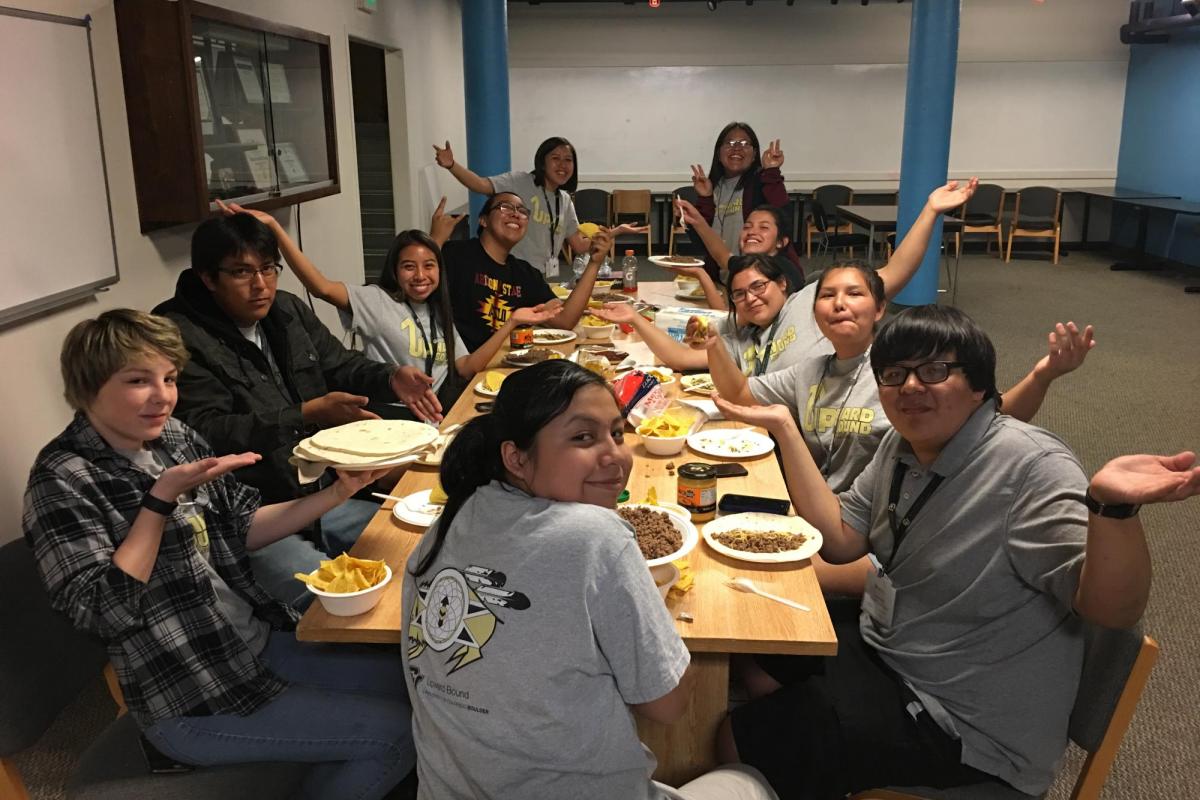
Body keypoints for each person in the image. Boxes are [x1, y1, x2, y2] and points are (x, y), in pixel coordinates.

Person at [709, 305, 1200, 798]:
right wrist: (785, 427)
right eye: (894, 374)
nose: (910, 386)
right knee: (766, 650)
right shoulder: (902, 446)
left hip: (963, 720)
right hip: (897, 645)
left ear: (980, 385)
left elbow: (1111, 611)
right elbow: (840, 540)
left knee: (738, 738)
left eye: (934, 370)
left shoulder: (1030, 467)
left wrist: (1112, 510)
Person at [22, 310, 415, 800]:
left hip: (256, 648)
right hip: (191, 697)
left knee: (415, 683)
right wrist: (159, 502)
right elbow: (104, 612)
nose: (162, 396)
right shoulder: (61, 479)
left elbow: (241, 528)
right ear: (89, 386)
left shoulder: (173, 438)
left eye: (169, 378)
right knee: (396, 736)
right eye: (139, 381)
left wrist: (339, 491)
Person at [401, 359, 777, 800]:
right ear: (516, 457)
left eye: (617, 433)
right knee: (749, 780)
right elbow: (669, 704)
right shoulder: (596, 536)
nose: (615, 456)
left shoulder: (443, 526)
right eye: (583, 437)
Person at [702, 262, 1094, 595]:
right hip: (839, 520)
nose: (910, 386)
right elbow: (741, 392)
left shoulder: (904, 374)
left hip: (888, 540)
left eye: (854, 293)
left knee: (749, 577)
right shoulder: (815, 371)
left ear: (879, 308)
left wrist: (1041, 377)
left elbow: (990, 415)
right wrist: (714, 345)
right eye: (828, 295)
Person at [153, 213, 415, 606]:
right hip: (255, 516)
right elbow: (209, 431)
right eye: (242, 272)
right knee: (337, 601)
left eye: (268, 269)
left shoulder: (286, 310)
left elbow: (339, 364)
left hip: (321, 493)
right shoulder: (177, 334)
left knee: (411, 547)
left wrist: (392, 378)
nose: (260, 284)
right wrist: (306, 413)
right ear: (208, 277)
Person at [216, 200, 557, 423]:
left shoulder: (439, 310)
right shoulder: (376, 301)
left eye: (429, 266)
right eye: (409, 266)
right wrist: (276, 229)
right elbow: (320, 287)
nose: (420, 275)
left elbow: (466, 366)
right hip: (395, 420)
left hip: (440, 417)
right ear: (395, 271)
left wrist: (512, 323)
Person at [596, 179, 979, 374]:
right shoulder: (742, 337)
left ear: (782, 284)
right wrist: (634, 319)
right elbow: (682, 356)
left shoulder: (809, 301)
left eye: (759, 288)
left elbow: (894, 272)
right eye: (740, 294)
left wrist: (930, 212)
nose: (751, 297)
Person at [433, 136, 646, 277]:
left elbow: (580, 245)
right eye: (555, 158)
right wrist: (452, 165)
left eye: (568, 160)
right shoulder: (520, 182)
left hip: (539, 275)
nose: (562, 165)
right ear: (542, 162)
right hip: (509, 271)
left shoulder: (564, 200)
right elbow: (480, 184)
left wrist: (616, 232)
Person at [430, 191, 610, 352]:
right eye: (505, 207)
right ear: (483, 220)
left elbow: (565, 320)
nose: (516, 214)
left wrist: (594, 263)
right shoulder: (456, 254)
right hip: (460, 366)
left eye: (522, 211)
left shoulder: (525, 274)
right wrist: (435, 241)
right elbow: (420, 288)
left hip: (503, 362)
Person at [689, 123, 788, 270]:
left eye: (744, 143)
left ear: (754, 154)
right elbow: (700, 241)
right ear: (719, 153)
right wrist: (705, 199)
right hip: (721, 275)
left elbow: (783, 215)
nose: (736, 147)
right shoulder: (712, 187)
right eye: (730, 143)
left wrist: (772, 171)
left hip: (756, 273)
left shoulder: (762, 182)